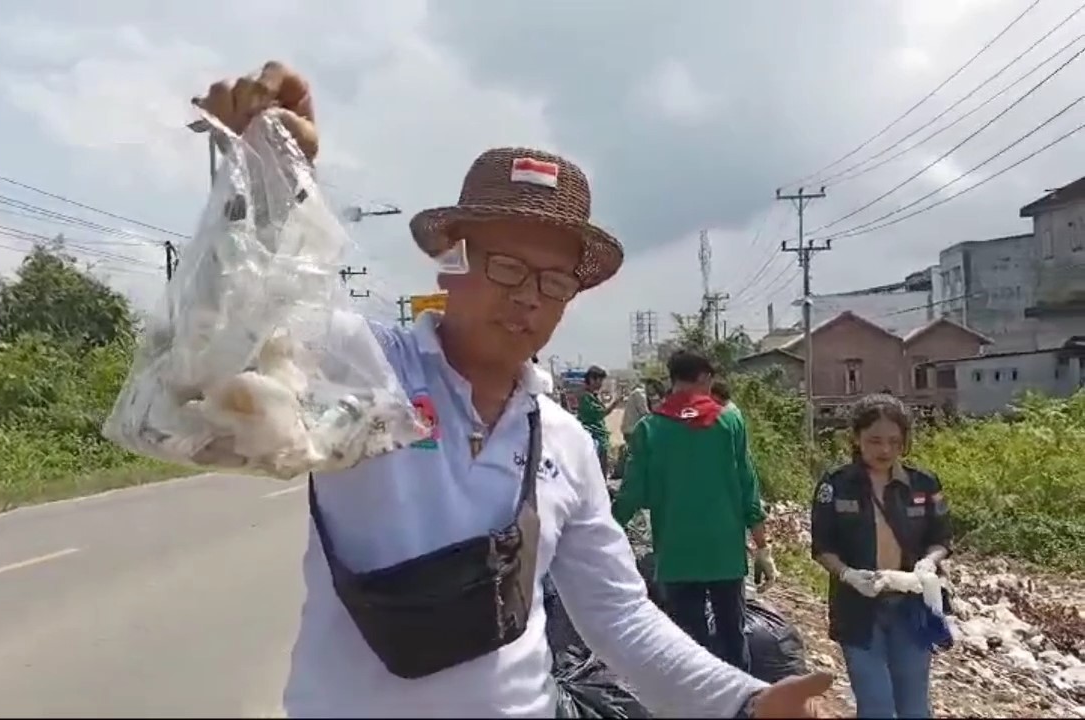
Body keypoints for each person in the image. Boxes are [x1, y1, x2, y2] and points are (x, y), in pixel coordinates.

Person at [196, 61, 830, 719]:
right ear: (452, 261)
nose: (529, 296)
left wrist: (746, 702)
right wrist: (263, 182)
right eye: (506, 266)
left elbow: (617, 615)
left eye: (555, 282)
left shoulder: (562, 443)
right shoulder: (365, 367)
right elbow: (234, 336)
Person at [612, 349, 777, 671]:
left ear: (672, 380)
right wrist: (762, 547)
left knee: (689, 644)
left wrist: (605, 532)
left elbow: (631, 494)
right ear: (704, 377)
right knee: (732, 637)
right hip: (724, 553)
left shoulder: (650, 429)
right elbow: (748, 487)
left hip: (676, 554)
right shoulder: (730, 421)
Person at [810, 393, 952, 719]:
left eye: (894, 441)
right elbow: (822, 547)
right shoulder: (836, 486)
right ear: (857, 439)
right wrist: (848, 574)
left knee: (914, 707)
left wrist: (928, 562)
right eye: (874, 440)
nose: (885, 450)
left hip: (911, 607)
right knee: (875, 705)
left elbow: (941, 538)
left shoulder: (924, 483)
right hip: (858, 609)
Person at [576, 365, 623, 475]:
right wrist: (615, 404)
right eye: (600, 381)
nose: (601, 384)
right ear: (592, 379)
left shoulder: (592, 395)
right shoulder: (585, 397)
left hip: (599, 436)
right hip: (593, 436)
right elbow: (600, 413)